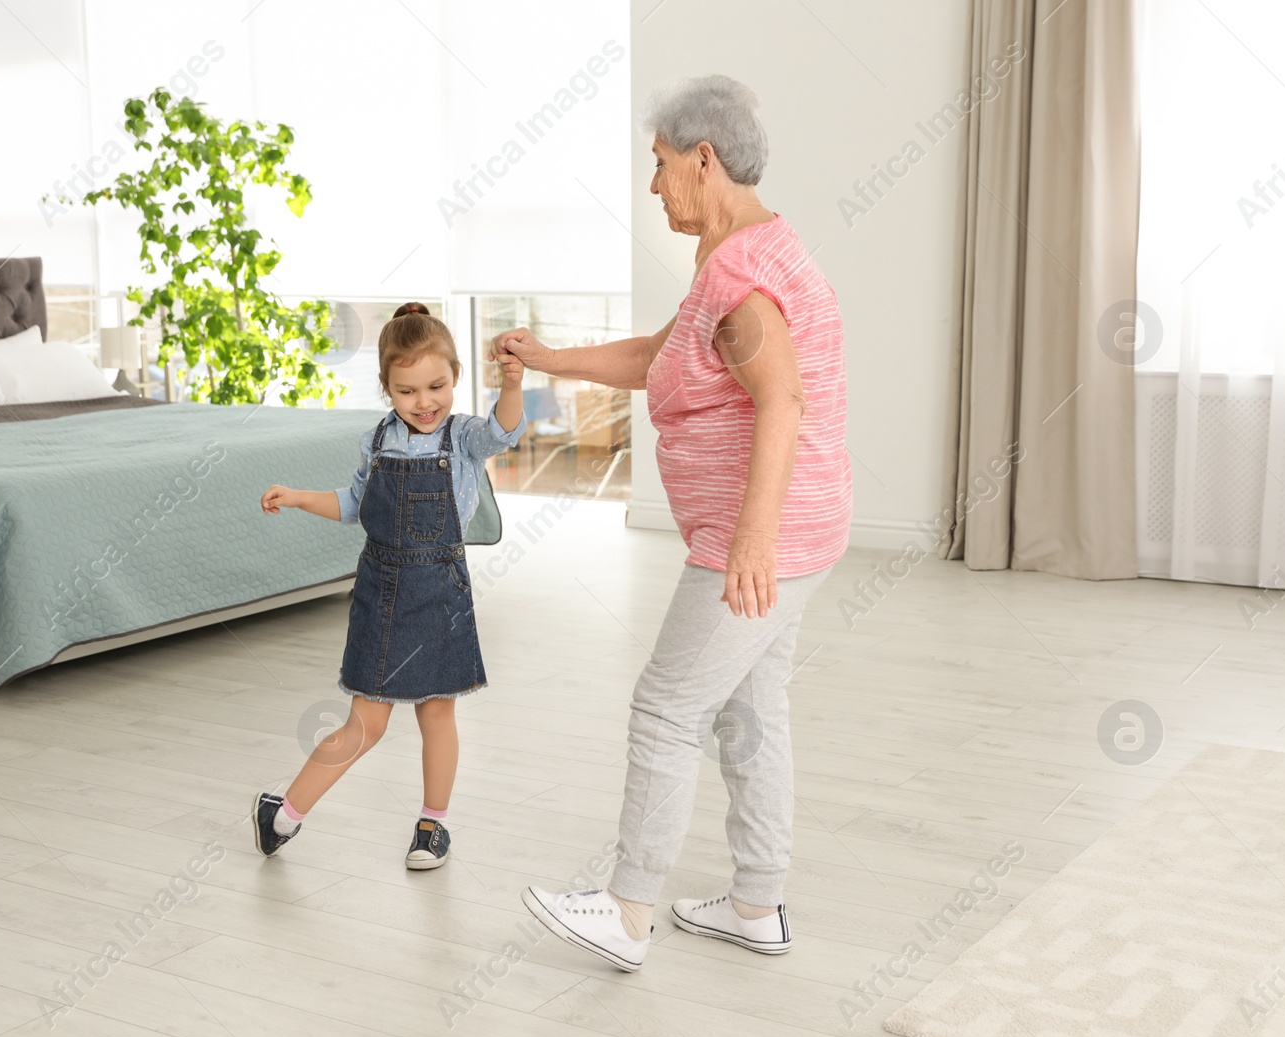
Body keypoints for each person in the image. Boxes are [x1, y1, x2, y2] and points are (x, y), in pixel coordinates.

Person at [505, 75, 850, 970]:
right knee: (749, 710)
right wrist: (547, 357)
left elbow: (781, 402)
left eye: (660, 164)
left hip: (764, 533)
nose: (653, 184)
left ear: (705, 159)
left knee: (665, 707)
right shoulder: (741, 252)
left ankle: (626, 911)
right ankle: (756, 900)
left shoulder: (739, 275)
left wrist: (750, 541)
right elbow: (657, 356)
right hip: (802, 526)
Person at [251, 302, 526, 869]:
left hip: (441, 590)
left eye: (437, 386)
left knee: (436, 715)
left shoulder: (466, 437)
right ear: (386, 389)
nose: (424, 403)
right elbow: (354, 503)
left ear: (455, 379)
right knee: (365, 723)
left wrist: (513, 379)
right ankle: (282, 817)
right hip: (381, 590)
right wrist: (301, 497)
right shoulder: (375, 441)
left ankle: (433, 825)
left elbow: (506, 428)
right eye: (407, 392)